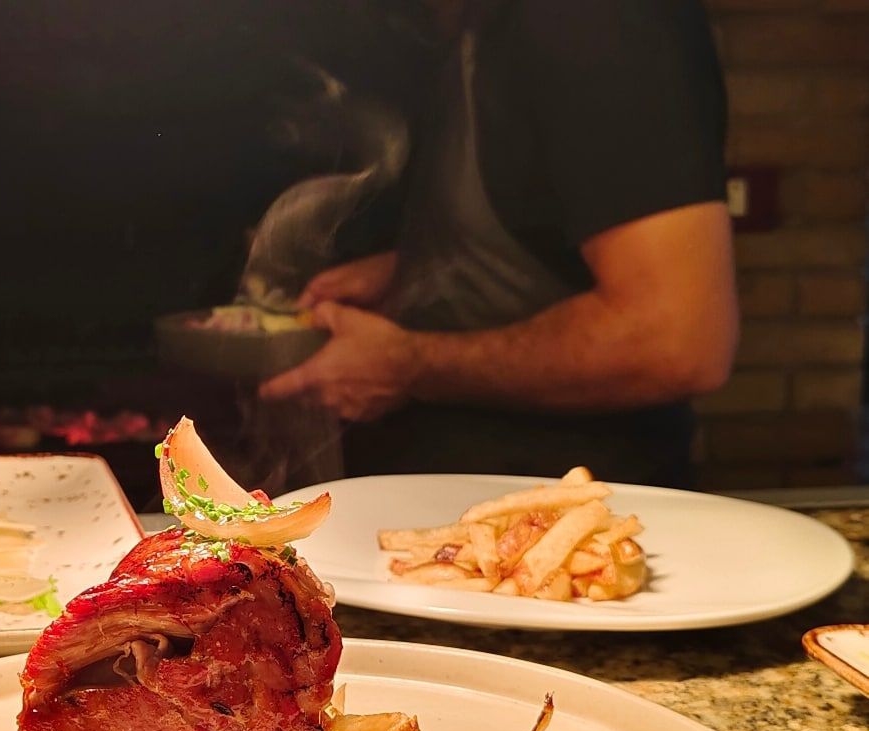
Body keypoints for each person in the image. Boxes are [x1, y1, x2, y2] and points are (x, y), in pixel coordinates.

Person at [258, 0, 738, 488]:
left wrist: (408, 365)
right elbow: (545, 231)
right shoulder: (476, 27)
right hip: (456, 513)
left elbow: (674, 341)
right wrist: (422, 272)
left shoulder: (598, 18)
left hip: (570, 526)